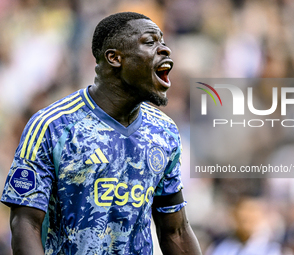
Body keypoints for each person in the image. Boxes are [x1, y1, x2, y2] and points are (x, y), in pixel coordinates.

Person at [1, 12, 202, 255]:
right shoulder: (52, 126)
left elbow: (175, 231)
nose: (165, 50)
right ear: (115, 58)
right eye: (151, 42)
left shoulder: (164, 131)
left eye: (164, 42)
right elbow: (25, 223)